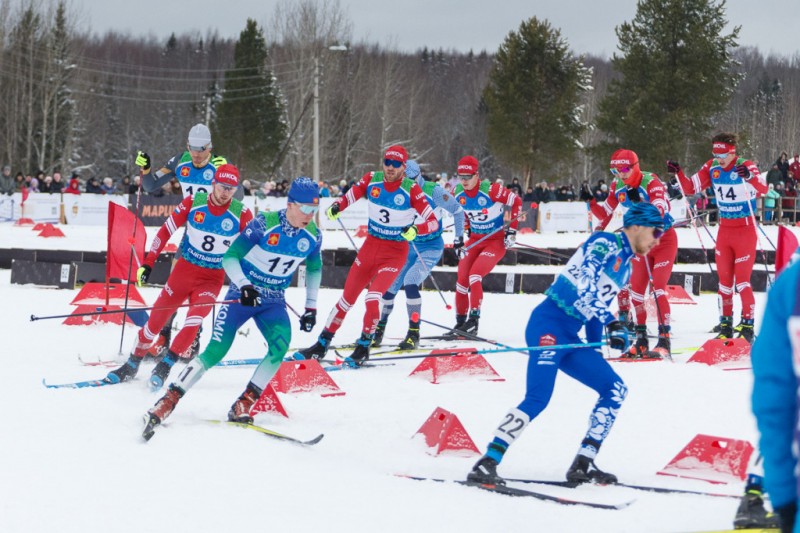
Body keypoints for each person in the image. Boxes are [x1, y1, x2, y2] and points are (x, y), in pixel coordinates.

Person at [467, 203, 665, 486]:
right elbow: (585, 286)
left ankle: (583, 462)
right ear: (636, 226)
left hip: (571, 337)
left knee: (615, 389)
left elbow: (595, 314)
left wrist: (598, 350)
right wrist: (612, 322)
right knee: (538, 397)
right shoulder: (604, 242)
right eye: (655, 231)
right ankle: (488, 461)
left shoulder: (627, 267)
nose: (657, 238)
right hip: (547, 326)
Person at [142, 177, 323, 440]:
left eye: (314, 210)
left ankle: (245, 402)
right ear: (291, 204)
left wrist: (311, 308)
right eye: (306, 208)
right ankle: (169, 399)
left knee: (280, 347)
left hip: (272, 301)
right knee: (216, 351)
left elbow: (315, 268)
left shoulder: (314, 235)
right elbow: (230, 257)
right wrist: (244, 284)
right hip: (242, 296)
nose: (310, 215)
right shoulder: (265, 223)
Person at [106, 164, 253, 390]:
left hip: (211, 279)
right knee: (154, 323)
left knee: (194, 320)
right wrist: (148, 263)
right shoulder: (193, 202)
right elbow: (165, 231)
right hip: (184, 271)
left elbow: (252, 251)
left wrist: (250, 284)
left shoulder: (241, 213)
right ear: (213, 184)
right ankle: (132, 363)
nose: (226, 193)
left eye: (231, 189)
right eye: (222, 187)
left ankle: (166, 365)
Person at [294, 145, 438, 365]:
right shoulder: (373, 179)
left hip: (394, 254)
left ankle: (364, 346)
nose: (390, 167)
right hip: (370, 248)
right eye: (387, 162)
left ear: (403, 166)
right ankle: (321, 344)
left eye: (396, 164)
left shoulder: (411, 189)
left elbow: (432, 221)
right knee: (346, 300)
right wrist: (338, 206)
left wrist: (417, 230)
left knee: (373, 298)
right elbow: (353, 194)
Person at [134, 124, 236, 357]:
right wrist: (147, 169)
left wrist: (227, 172)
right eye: (193, 149)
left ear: (210, 147)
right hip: (190, 232)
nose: (197, 154)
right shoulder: (180, 161)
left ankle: (193, 338)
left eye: (202, 149)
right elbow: (150, 185)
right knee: (174, 285)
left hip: (217, 237)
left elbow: (235, 198)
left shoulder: (220, 164)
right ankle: (164, 336)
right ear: (187, 146)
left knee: (199, 291)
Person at [670, 132, 768, 342]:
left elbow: (763, 188)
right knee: (724, 284)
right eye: (715, 153)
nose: (719, 158)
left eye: (723, 154)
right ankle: (725, 326)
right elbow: (689, 188)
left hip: (745, 231)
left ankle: (748, 327)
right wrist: (678, 172)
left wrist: (749, 177)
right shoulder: (711, 167)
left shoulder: (745, 165)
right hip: (725, 232)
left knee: (742, 282)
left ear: (732, 152)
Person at [590, 149, 677, 358]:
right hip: (640, 243)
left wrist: (638, 203)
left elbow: (660, 211)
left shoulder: (651, 182)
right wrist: (591, 204)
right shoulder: (617, 186)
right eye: (616, 170)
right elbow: (606, 214)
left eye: (625, 169)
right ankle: (641, 340)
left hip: (662, 239)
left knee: (657, 289)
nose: (621, 174)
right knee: (636, 292)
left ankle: (664, 340)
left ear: (635, 166)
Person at [372, 159, 465, 349]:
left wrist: (459, 238)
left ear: (418, 176)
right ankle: (379, 329)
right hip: (408, 246)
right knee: (390, 284)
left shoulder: (434, 191)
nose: (409, 185)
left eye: (412, 180)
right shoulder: (398, 189)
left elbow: (457, 210)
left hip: (430, 246)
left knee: (411, 281)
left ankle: (413, 333)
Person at [749, 247, 800, 533]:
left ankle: (754, 487)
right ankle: (753, 489)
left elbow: (774, 400)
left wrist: (783, 495)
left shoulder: (792, 281)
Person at [449, 155, 522, 335]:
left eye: (468, 176)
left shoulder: (492, 190)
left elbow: (517, 202)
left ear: (476, 175)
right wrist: (465, 228)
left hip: (494, 242)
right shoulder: (457, 192)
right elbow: (461, 213)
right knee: (461, 281)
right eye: (461, 177)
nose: (464, 181)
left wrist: (512, 231)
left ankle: (473, 321)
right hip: (475, 241)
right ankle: (460, 323)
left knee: (475, 275)